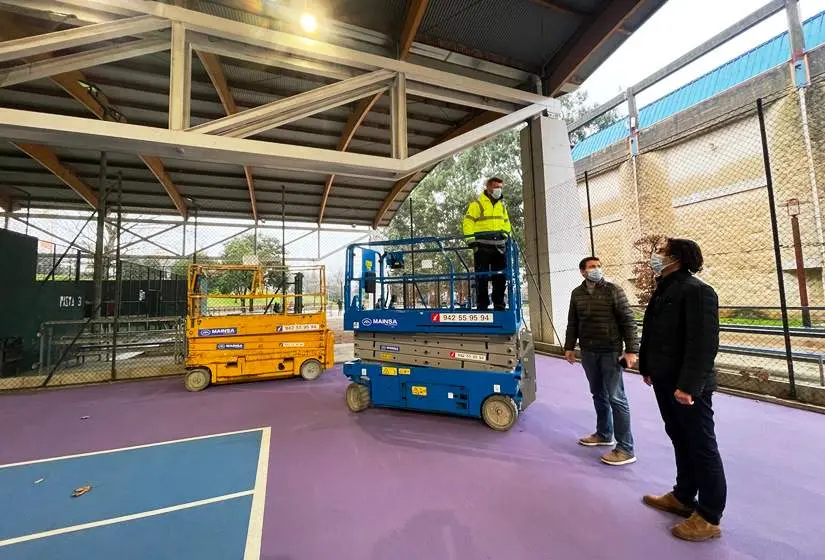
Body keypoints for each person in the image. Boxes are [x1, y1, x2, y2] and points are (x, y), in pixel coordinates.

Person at [638, 238, 725, 542]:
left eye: (660, 253)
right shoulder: (663, 290)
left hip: (686, 387)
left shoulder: (698, 291)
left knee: (701, 445)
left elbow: (703, 345)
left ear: (675, 258)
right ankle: (683, 496)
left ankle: (710, 516)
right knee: (679, 437)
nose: (656, 257)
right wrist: (646, 367)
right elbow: (652, 333)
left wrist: (688, 385)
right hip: (664, 381)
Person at [564, 257, 639, 466]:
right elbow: (573, 322)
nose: (596, 269)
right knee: (598, 394)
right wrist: (569, 347)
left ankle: (625, 448)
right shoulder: (577, 294)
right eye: (591, 267)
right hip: (588, 352)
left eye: (598, 266)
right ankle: (604, 434)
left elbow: (628, 320)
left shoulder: (613, 290)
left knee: (616, 397)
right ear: (583, 272)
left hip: (611, 352)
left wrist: (632, 350)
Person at [462, 177, 511, 310]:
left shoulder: (502, 206)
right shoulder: (477, 205)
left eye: (501, 187)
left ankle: (499, 304)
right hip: (482, 247)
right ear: (488, 188)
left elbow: (506, 223)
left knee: (500, 277)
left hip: (500, 246)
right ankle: (482, 305)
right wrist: (471, 240)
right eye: (496, 187)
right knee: (481, 278)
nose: (499, 190)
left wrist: (506, 235)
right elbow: (468, 223)